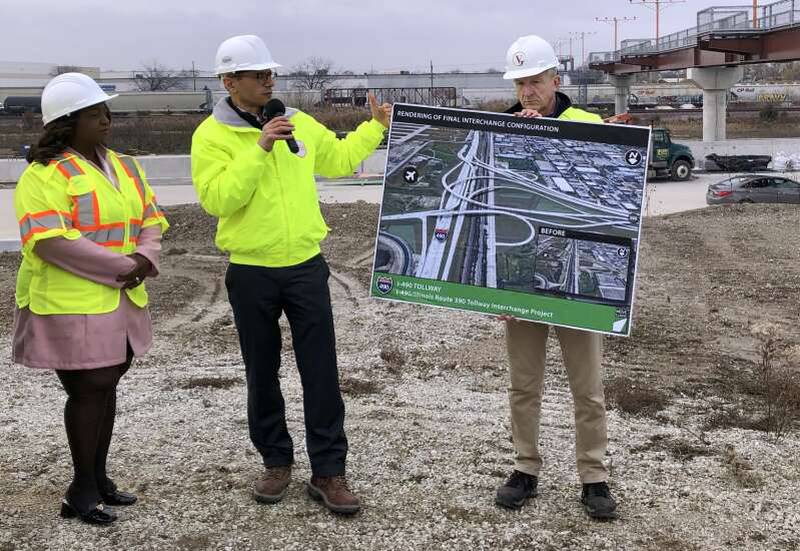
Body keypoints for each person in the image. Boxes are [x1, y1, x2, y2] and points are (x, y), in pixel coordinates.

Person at [190, 35, 391, 514]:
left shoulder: (296, 121)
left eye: (269, 73)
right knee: (262, 371)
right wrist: (258, 148)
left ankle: (329, 472)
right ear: (228, 81)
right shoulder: (210, 137)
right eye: (257, 75)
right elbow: (218, 200)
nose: (268, 81)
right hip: (251, 270)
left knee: (321, 371)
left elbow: (339, 160)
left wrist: (374, 128)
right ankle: (276, 461)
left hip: (304, 265)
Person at [12, 73, 169, 525]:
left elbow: (151, 217)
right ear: (66, 121)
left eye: (105, 111)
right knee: (88, 389)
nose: (105, 119)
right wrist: (125, 267)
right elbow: (49, 240)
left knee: (106, 386)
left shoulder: (125, 166)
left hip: (119, 298)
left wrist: (145, 257)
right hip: (71, 302)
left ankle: (97, 479)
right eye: (93, 113)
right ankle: (80, 490)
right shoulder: (44, 175)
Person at [492, 35, 618, 520]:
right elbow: (496, 204)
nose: (528, 91)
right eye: (521, 83)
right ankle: (525, 468)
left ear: (555, 81)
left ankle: (594, 477)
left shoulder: (588, 124)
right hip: (523, 275)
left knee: (587, 387)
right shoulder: (503, 127)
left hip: (576, 281)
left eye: (535, 81)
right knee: (524, 385)